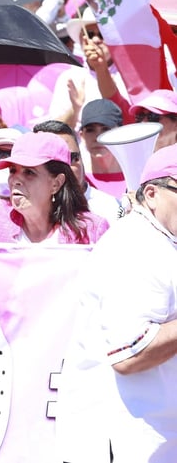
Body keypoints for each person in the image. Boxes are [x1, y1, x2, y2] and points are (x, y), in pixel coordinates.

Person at [57, 144, 177, 462]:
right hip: (121, 441)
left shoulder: (161, 238)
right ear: (151, 194)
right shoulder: (137, 246)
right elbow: (129, 355)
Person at [33, 120, 119, 221]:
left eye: (73, 158)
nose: (66, 168)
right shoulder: (25, 212)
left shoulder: (109, 208)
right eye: (55, 162)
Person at [78, 99, 126, 198]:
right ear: (82, 136)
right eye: (90, 130)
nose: (97, 137)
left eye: (106, 129)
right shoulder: (76, 181)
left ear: (120, 133)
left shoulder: (137, 177)